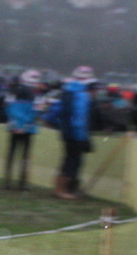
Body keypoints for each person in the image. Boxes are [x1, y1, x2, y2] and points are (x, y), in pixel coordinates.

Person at [54, 65, 96, 199]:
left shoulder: (69, 91)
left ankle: (63, 188)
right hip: (75, 133)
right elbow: (79, 117)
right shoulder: (80, 95)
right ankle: (62, 190)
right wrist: (81, 135)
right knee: (72, 162)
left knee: (70, 160)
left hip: (69, 131)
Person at [2, 69, 43, 191]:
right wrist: (26, 127)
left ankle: (7, 181)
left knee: (12, 154)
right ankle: (23, 182)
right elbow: (37, 112)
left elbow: (8, 109)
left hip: (14, 127)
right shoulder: (38, 93)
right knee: (25, 156)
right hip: (29, 129)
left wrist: (15, 126)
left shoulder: (12, 91)